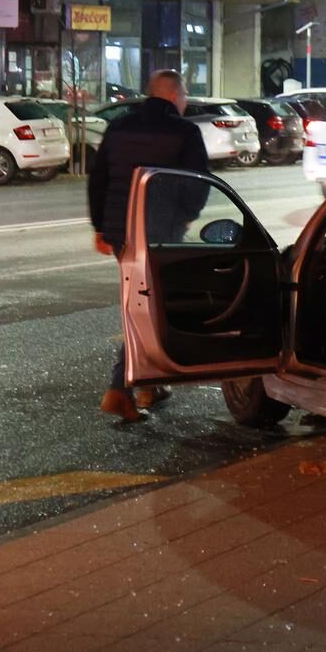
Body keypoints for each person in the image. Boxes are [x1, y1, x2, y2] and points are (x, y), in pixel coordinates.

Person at [87, 70, 209, 422]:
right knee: (152, 306)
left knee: (138, 302)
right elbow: (197, 184)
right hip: (160, 232)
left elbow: (99, 180)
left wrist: (100, 227)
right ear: (174, 96)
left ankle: (148, 384)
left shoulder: (120, 126)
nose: (184, 104)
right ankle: (119, 388)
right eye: (184, 97)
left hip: (120, 232)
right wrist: (186, 217)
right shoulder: (184, 131)